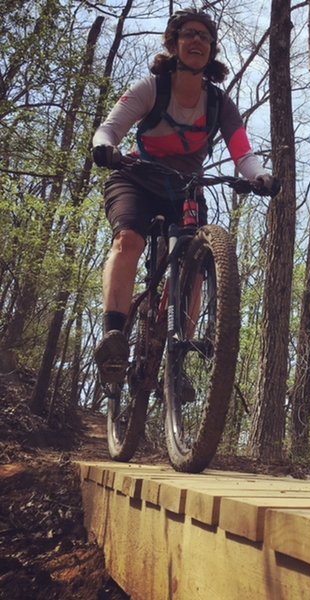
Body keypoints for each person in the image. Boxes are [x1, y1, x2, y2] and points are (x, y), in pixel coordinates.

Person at [92, 7, 277, 383]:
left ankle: (179, 354)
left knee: (193, 265)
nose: (197, 41)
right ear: (174, 44)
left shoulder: (219, 104)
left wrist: (260, 177)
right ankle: (114, 337)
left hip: (184, 188)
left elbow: (243, 153)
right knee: (129, 239)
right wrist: (105, 148)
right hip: (137, 179)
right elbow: (109, 129)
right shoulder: (152, 88)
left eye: (205, 37)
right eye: (189, 34)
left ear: (211, 50)